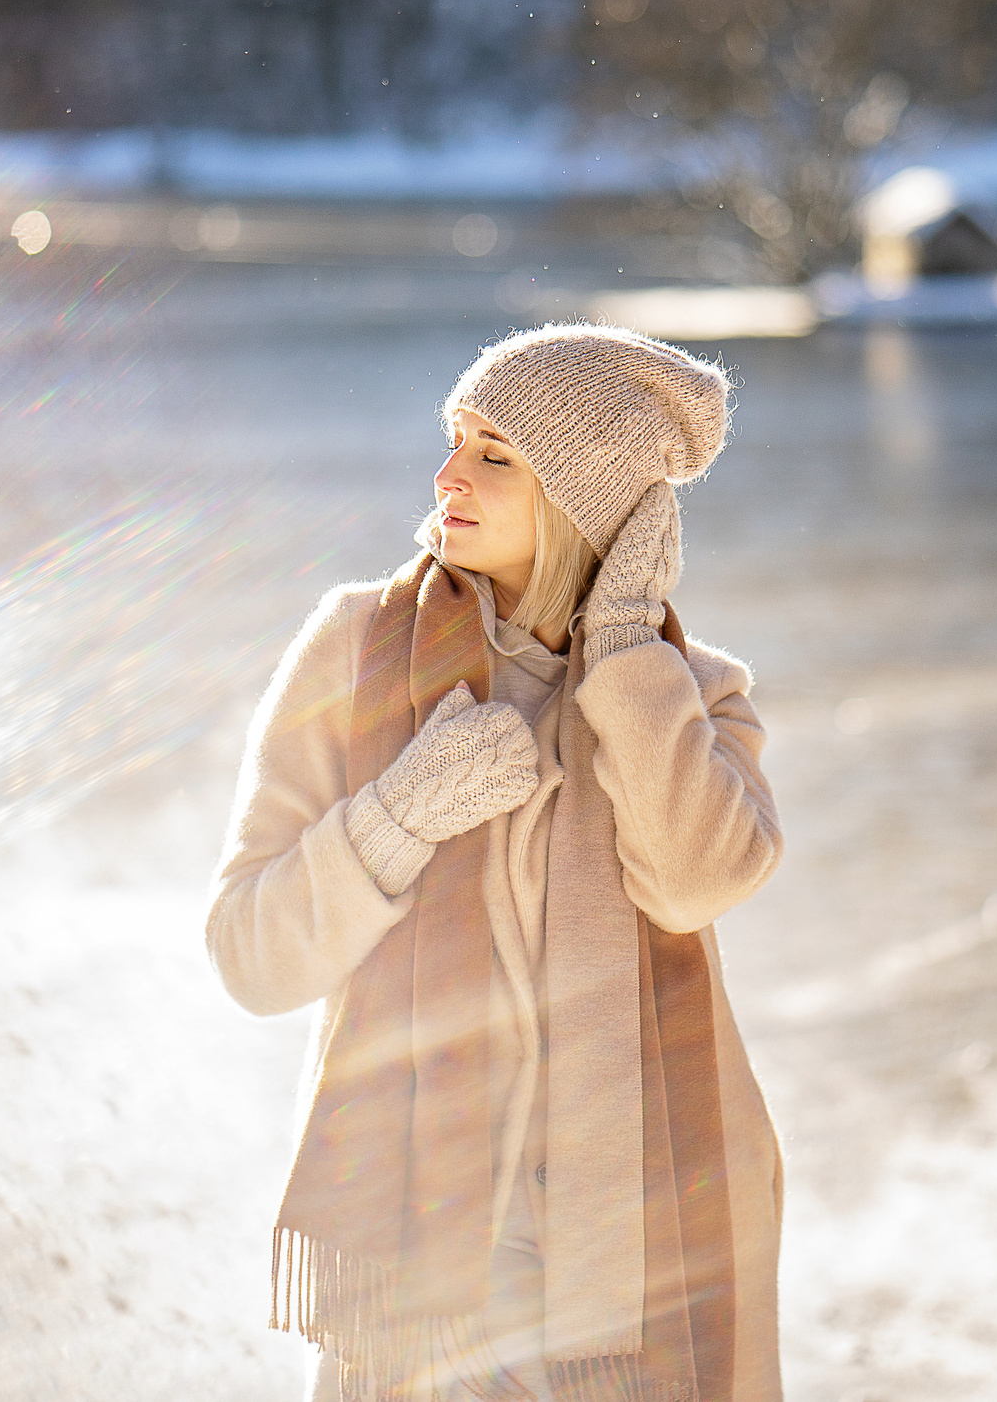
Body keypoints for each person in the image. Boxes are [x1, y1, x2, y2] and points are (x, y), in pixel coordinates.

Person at [206, 324, 785, 1402]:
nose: (446, 476)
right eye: (454, 439)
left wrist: (622, 658)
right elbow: (251, 958)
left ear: (581, 498)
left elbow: (698, 879)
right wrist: (401, 811)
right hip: (432, 1262)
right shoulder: (355, 651)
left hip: (644, 1257)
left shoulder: (691, 695)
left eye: (495, 455)